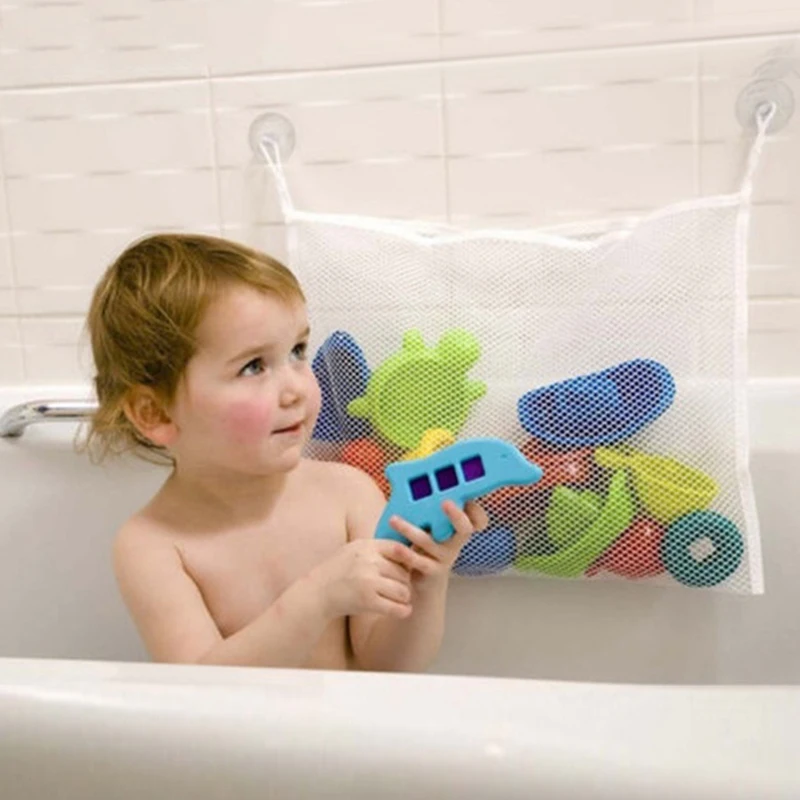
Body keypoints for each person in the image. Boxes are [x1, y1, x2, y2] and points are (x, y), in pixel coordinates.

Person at [85, 233, 487, 671]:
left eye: (297, 351)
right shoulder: (153, 545)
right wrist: (316, 598)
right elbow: (203, 691)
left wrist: (427, 580)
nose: (296, 388)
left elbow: (387, 668)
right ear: (156, 412)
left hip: (351, 717)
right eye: (253, 366)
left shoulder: (349, 494)